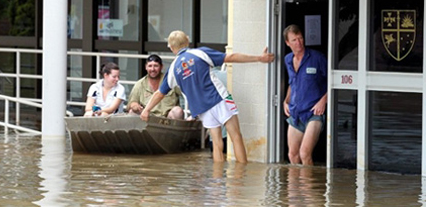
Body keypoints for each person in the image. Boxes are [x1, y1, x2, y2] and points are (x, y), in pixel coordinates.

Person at [140, 30, 275, 163]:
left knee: (216, 144)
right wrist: (259, 58)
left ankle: (216, 182)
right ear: (187, 41)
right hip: (220, 98)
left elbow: (159, 93)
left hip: (202, 109)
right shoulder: (200, 53)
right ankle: (240, 179)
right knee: (236, 136)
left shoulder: (173, 69)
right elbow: (231, 58)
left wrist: (146, 110)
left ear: (170, 47)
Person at [282, 24, 327, 166]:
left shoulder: (317, 58)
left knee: (305, 153)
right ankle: (295, 188)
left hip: (314, 112)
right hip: (296, 112)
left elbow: (333, 82)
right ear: (287, 43)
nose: (299, 42)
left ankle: (309, 188)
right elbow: (293, 83)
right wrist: (285, 100)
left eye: (300, 38)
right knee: (293, 155)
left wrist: (323, 101)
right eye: (294, 40)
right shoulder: (288, 59)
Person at [126, 54, 184, 119]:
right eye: (150, 66)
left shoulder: (169, 81)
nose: (153, 69)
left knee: (177, 111)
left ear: (162, 67)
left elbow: (186, 94)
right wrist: (135, 106)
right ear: (146, 67)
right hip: (148, 119)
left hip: (168, 119)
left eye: (156, 66)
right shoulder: (140, 84)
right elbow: (132, 103)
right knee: (132, 112)